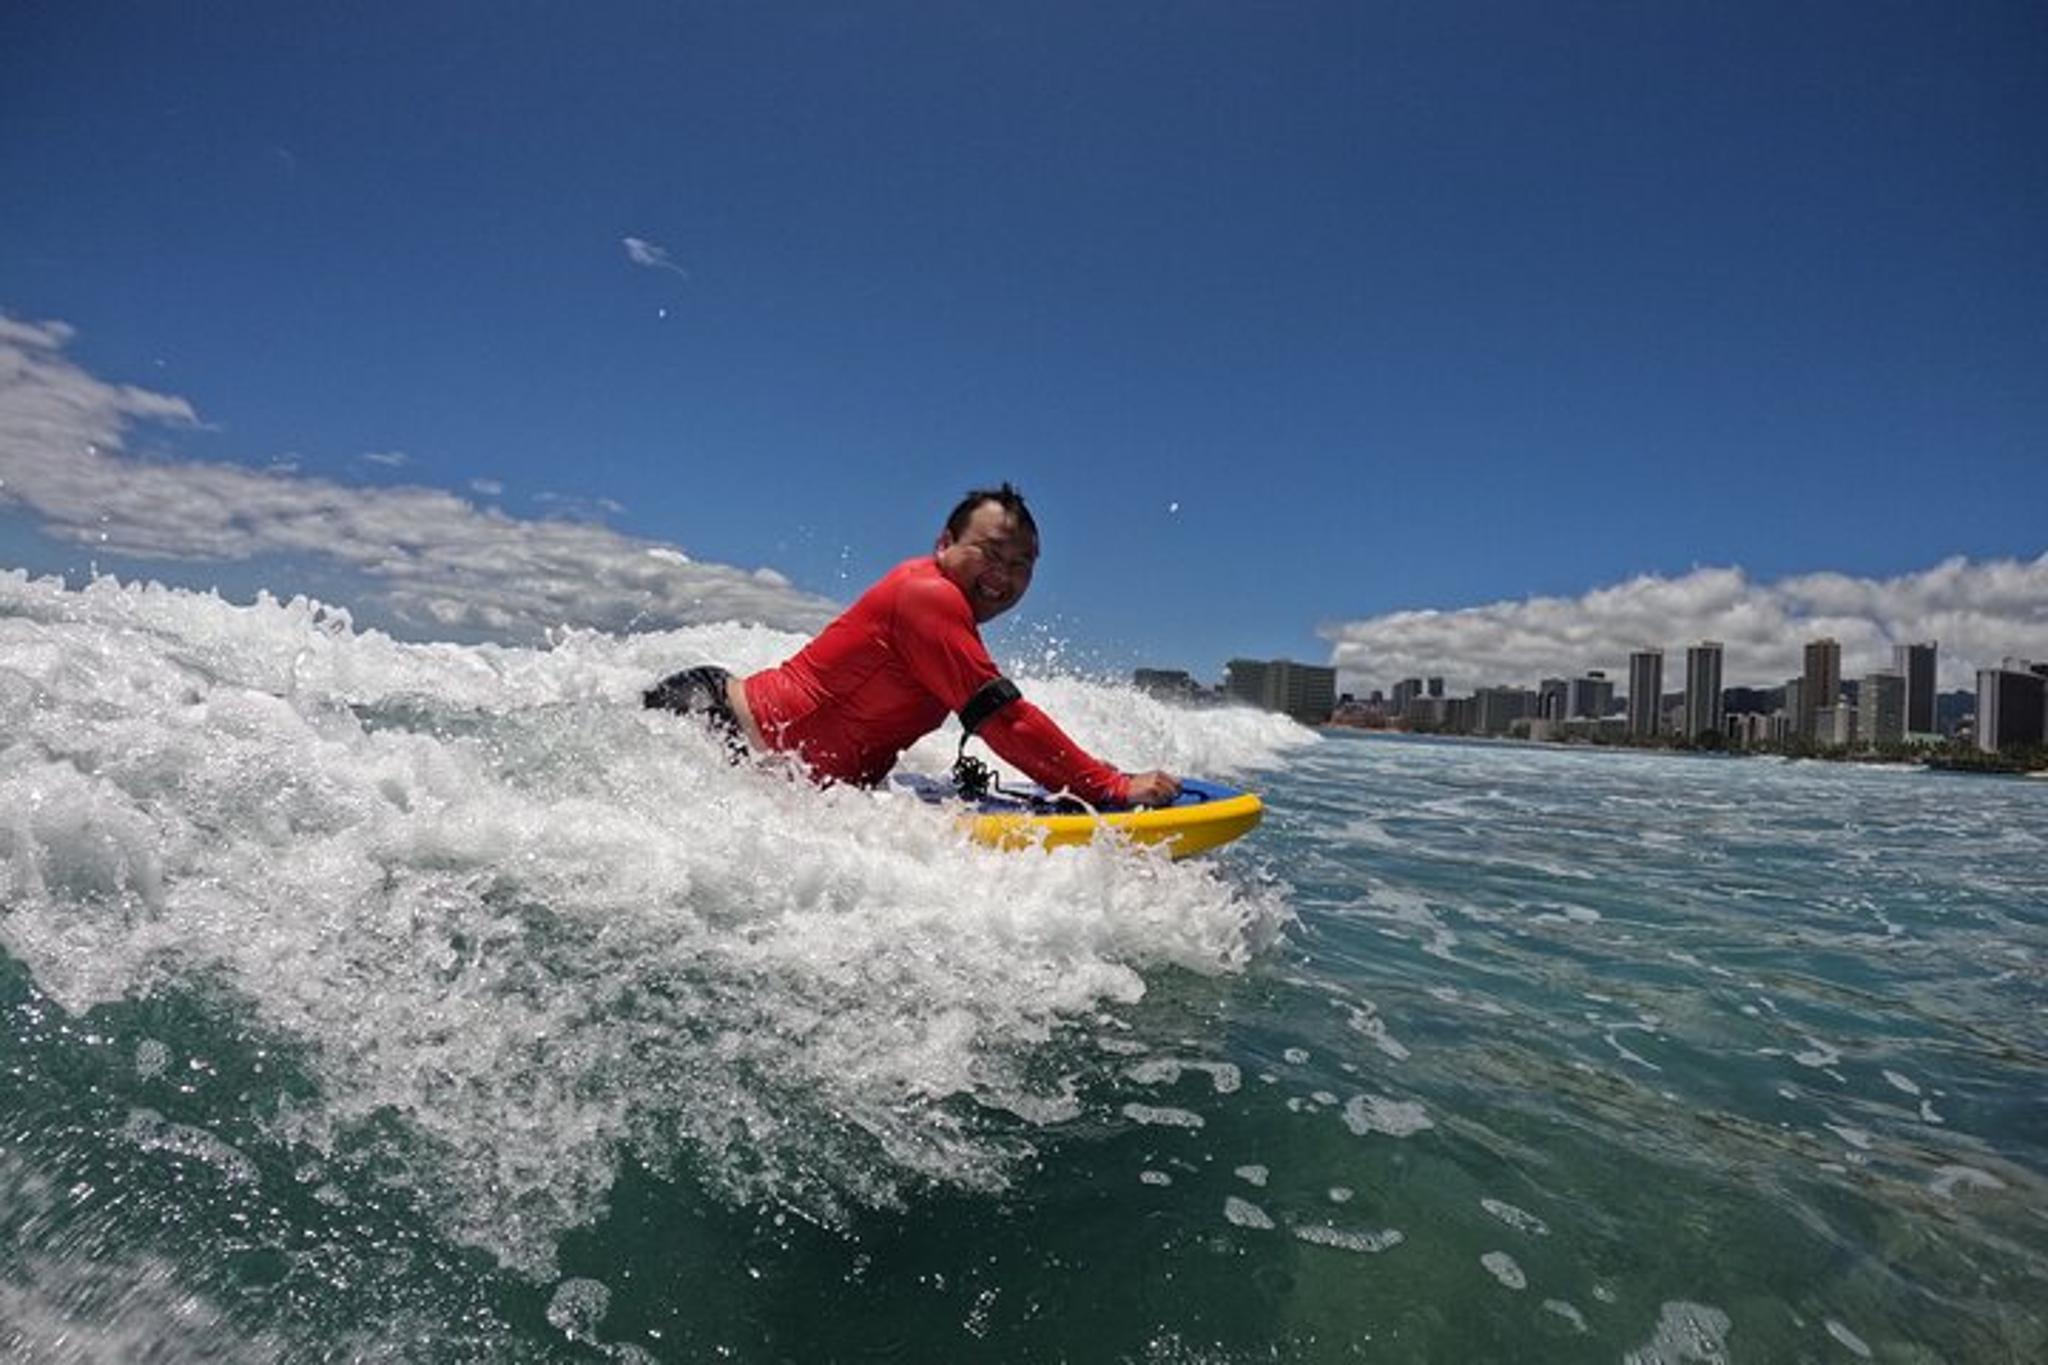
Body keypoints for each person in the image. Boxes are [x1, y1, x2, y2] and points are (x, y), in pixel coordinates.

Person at [645, 484, 1181, 808]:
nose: (1005, 576)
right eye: (991, 553)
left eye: (1022, 565)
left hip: (751, 748)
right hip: (715, 727)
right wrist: (1107, 785)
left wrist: (1081, 773)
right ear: (944, 544)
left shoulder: (949, 616)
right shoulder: (926, 595)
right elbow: (1005, 718)